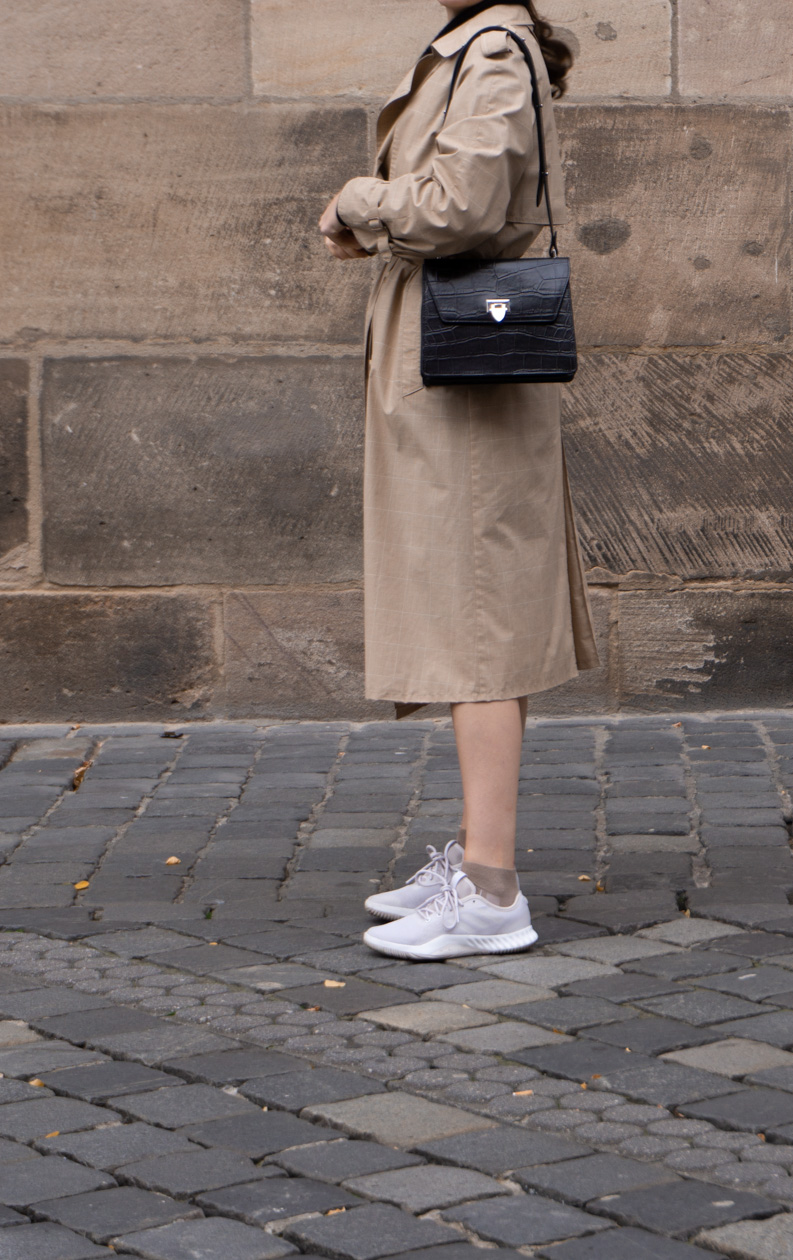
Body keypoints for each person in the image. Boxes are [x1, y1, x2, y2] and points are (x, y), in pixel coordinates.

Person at [318, 0, 599, 960]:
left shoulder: (491, 51)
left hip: (460, 369)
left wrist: (361, 199)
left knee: (478, 617)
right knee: (469, 605)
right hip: (448, 362)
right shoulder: (482, 48)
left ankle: (490, 889)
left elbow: (462, 208)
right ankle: (478, 862)